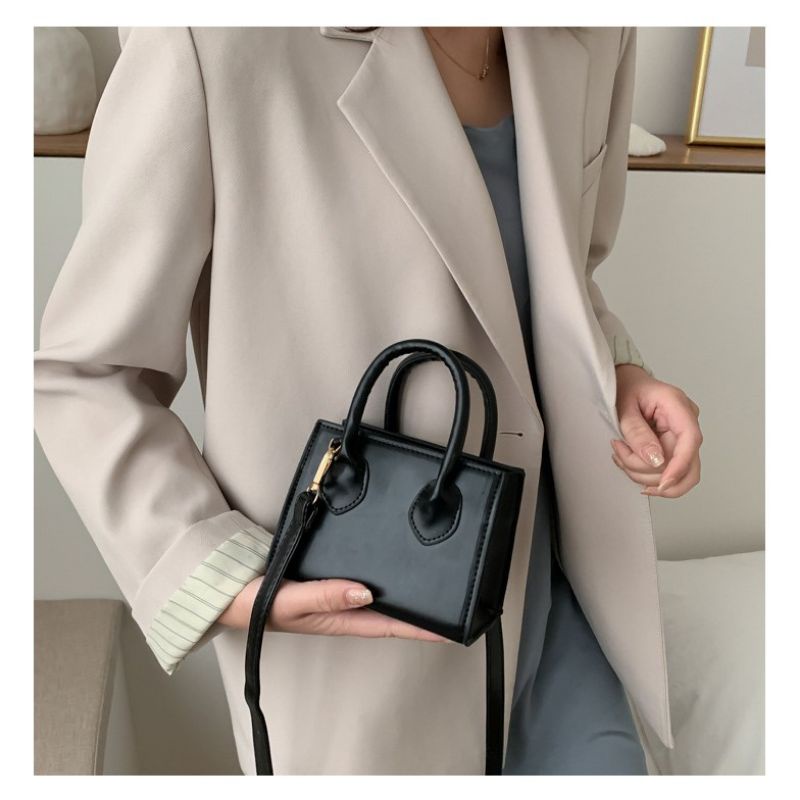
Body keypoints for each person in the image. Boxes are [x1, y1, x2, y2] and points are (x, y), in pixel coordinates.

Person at [34, 26, 703, 775]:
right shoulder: (212, 38)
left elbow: (560, 278)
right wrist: (213, 572)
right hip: (366, 624)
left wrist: (619, 373)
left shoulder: (597, 30)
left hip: (562, 590)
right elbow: (90, 370)